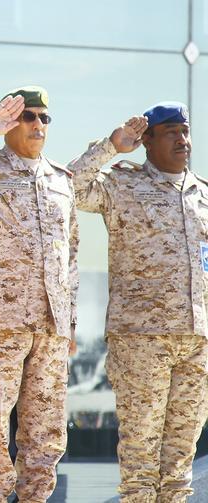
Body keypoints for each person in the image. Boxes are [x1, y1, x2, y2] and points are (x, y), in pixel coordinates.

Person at [0, 86, 141, 503]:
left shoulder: (60, 180)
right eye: (27, 117)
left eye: (43, 118)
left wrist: (69, 321)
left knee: (46, 434)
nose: (37, 125)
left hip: (50, 328)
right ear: (9, 123)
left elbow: (69, 255)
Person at [73, 102, 208, 502]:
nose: (182, 140)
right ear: (147, 140)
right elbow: (73, 186)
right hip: (141, 342)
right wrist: (112, 147)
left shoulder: (203, 195)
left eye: (184, 131)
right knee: (140, 462)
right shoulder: (123, 185)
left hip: (196, 343)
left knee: (180, 464)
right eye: (171, 132)